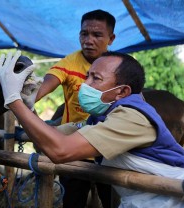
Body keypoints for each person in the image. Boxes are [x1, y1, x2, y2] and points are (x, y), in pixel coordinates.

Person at [0, 51, 184, 208]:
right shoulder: (103, 117)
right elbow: (51, 139)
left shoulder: (132, 117)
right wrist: (28, 107)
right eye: (87, 76)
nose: (85, 84)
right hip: (146, 198)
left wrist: (13, 100)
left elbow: (60, 150)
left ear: (122, 91)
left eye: (95, 78)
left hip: (177, 198)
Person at [35, 9, 116, 207]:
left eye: (97, 35)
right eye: (84, 34)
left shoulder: (119, 66)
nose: (89, 40)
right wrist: (28, 96)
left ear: (111, 38)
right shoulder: (69, 63)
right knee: (72, 203)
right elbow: (44, 86)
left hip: (111, 150)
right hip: (75, 150)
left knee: (112, 203)